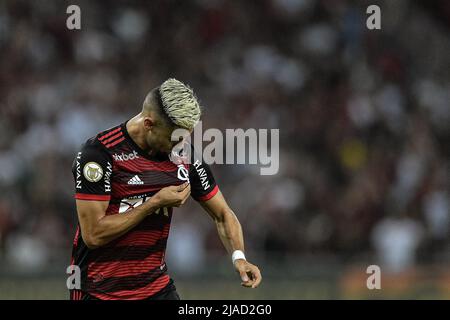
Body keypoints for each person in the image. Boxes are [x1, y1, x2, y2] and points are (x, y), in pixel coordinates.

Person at [69, 78, 261, 300]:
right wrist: (154, 203)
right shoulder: (99, 154)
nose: (180, 144)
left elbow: (223, 214)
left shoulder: (184, 155)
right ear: (149, 124)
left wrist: (239, 257)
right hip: (99, 290)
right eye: (174, 137)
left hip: (156, 288)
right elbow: (93, 234)